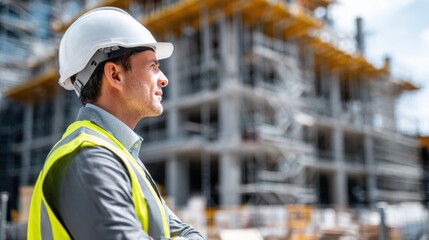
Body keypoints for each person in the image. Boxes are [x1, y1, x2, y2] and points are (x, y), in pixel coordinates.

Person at [27, 7, 204, 240]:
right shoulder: (89, 158)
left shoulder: (121, 156)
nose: (164, 78)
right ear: (115, 75)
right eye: (152, 66)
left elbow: (189, 233)